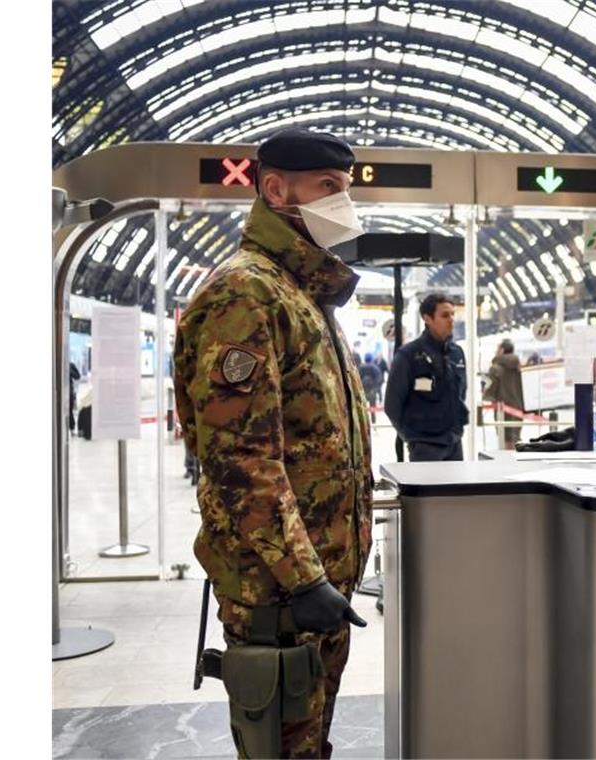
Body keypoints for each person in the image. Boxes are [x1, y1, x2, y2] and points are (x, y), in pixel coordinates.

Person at [173, 128, 372, 759]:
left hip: (317, 582)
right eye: (328, 188)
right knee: (280, 744)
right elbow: (239, 458)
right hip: (279, 590)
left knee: (307, 740)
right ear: (275, 189)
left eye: (346, 189)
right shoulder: (246, 293)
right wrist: (303, 577)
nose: (343, 203)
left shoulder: (304, 296)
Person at [384, 292, 468, 461]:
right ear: (427, 318)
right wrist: (411, 437)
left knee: (458, 488)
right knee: (428, 488)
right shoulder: (408, 355)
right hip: (425, 447)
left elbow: (461, 393)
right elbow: (392, 404)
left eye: (453, 314)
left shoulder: (457, 354)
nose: (451, 319)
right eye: (445, 315)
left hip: (454, 445)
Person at [482, 338, 525, 449]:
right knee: (515, 439)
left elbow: (490, 389)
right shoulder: (519, 367)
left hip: (503, 409)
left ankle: (507, 465)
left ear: (502, 350)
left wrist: (486, 395)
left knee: (505, 441)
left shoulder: (495, 368)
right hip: (518, 408)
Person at [359, 350, 384, 424]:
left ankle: (363, 423)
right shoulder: (374, 367)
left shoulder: (360, 367)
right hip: (372, 391)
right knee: (373, 407)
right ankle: (373, 422)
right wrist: (376, 389)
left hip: (362, 391)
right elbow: (379, 379)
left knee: (362, 408)